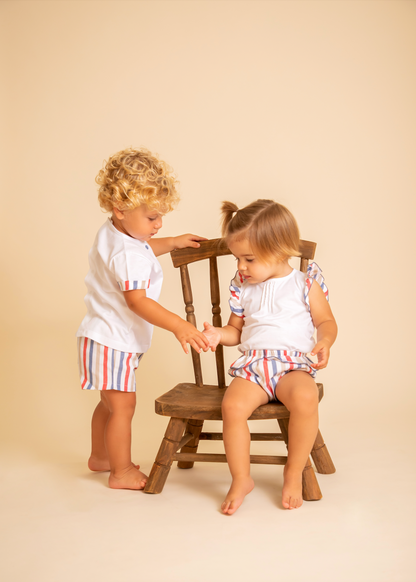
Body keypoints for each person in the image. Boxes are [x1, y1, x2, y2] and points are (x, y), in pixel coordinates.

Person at [76, 147, 209, 491]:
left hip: (101, 337)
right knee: (123, 407)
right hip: (113, 340)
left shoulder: (115, 232)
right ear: (120, 210)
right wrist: (180, 325)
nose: (159, 224)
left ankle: (100, 456)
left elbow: (143, 246)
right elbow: (137, 301)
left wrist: (172, 242)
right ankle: (120, 471)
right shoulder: (127, 252)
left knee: (109, 404)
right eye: (152, 218)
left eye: (161, 217)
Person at [203, 199, 337, 514]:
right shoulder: (243, 287)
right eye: (237, 259)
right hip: (254, 368)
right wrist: (217, 335)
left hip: (292, 367)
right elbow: (236, 332)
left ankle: (293, 471)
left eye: (248, 259)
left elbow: (326, 321)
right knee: (232, 406)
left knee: (305, 399)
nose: (240, 267)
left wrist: (325, 341)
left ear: (279, 250)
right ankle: (241, 478)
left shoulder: (304, 284)